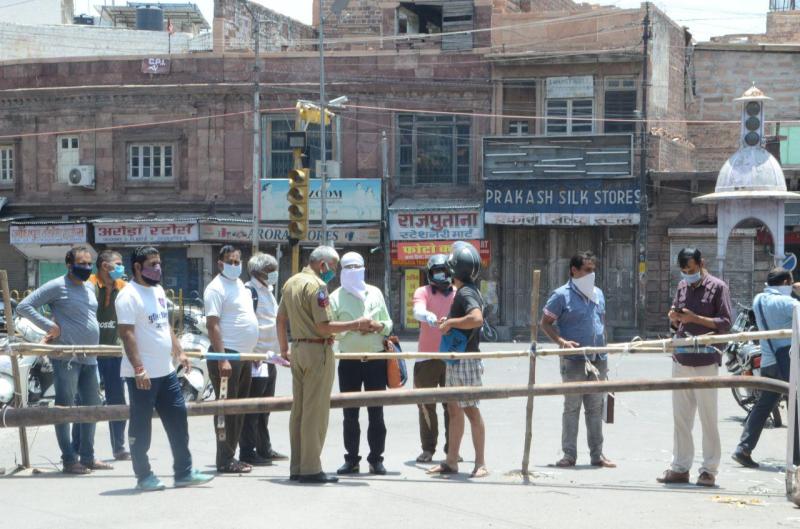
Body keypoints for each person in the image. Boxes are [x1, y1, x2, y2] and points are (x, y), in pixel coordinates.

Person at [116, 246, 214, 491]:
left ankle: (184, 472)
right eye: (152, 264)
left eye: (159, 263)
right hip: (143, 376)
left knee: (178, 420)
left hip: (166, 372)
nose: (158, 268)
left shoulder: (158, 291)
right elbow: (127, 335)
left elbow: (164, 325)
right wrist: (139, 369)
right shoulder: (128, 295)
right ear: (138, 267)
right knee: (141, 426)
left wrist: (178, 351)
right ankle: (144, 475)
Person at [276, 246, 374, 484]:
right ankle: (310, 468)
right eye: (333, 267)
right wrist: (357, 324)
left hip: (298, 349)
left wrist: (284, 349)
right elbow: (323, 327)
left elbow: (280, 319)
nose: (333, 272)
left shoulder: (291, 283)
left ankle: (298, 466)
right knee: (315, 412)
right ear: (323, 265)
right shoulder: (317, 286)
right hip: (316, 350)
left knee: (299, 411)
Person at [17, 246, 113, 474]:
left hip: (90, 357)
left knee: (92, 407)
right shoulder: (57, 285)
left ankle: (88, 457)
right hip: (65, 358)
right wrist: (51, 326)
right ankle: (69, 459)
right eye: (82, 263)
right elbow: (23, 306)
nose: (87, 267)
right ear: (70, 265)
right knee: (64, 408)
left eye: (90, 263)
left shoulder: (90, 287)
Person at [658, 247, 732, 488]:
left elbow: (725, 323)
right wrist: (674, 318)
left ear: (701, 263)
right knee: (681, 419)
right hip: (681, 359)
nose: (687, 275)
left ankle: (709, 470)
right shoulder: (681, 286)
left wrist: (695, 319)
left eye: (690, 270)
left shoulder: (718, 287)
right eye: (683, 271)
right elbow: (677, 320)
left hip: (706, 362)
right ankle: (680, 467)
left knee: (708, 418)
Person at [540, 251, 615, 469]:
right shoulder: (561, 295)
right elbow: (545, 323)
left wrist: (605, 350)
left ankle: (597, 455)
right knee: (571, 407)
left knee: (595, 407)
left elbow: (601, 322)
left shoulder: (598, 293)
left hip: (598, 359)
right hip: (573, 360)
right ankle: (569, 455)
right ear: (574, 271)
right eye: (587, 270)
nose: (591, 274)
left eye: (593, 270)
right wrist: (561, 341)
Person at [428, 242, 488, 478]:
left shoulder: (465, 292)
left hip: (466, 360)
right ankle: (451, 460)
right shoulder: (467, 291)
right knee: (454, 410)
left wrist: (451, 323)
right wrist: (451, 320)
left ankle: (481, 462)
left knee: (471, 410)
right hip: (456, 358)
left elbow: (476, 319)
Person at [331, 252, 393, 476]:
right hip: (348, 361)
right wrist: (355, 326)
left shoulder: (374, 293)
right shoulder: (335, 297)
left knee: (376, 413)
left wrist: (377, 326)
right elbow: (331, 331)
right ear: (342, 271)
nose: (354, 270)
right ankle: (351, 459)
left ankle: (376, 459)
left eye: (358, 266)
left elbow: (388, 323)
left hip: (375, 359)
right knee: (350, 414)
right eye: (349, 267)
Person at [733, 267, 800, 468]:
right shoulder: (789, 303)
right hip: (789, 363)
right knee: (795, 408)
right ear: (787, 283)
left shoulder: (759, 300)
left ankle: (743, 448)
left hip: (768, 362)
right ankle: (797, 456)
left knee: (763, 407)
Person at [203, 245, 259, 474]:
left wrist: (253, 353)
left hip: (244, 356)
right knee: (226, 409)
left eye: (238, 262)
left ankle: (231, 457)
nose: (234, 265)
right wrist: (222, 357)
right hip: (227, 354)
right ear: (220, 263)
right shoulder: (215, 288)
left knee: (239, 409)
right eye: (230, 261)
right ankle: (224, 459)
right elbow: (213, 324)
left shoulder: (241, 286)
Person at [239, 252, 288, 466]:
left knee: (265, 407)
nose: (274, 274)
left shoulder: (267, 290)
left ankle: (264, 448)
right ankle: (248, 451)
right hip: (257, 358)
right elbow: (248, 325)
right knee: (252, 408)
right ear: (258, 272)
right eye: (271, 271)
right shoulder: (249, 291)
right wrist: (253, 353)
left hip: (271, 358)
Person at [412, 254, 456, 463]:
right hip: (426, 357)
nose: (441, 275)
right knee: (425, 405)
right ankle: (428, 448)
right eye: (436, 271)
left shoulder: (457, 293)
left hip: (451, 356)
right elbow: (417, 310)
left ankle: (452, 448)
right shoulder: (423, 291)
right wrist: (426, 316)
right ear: (430, 275)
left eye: (444, 271)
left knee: (452, 405)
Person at [88, 249, 130, 461]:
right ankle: (84, 450)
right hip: (91, 354)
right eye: (119, 263)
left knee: (117, 400)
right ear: (105, 266)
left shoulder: (124, 287)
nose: (122, 268)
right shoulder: (90, 285)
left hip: (115, 354)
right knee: (87, 401)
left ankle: (119, 446)